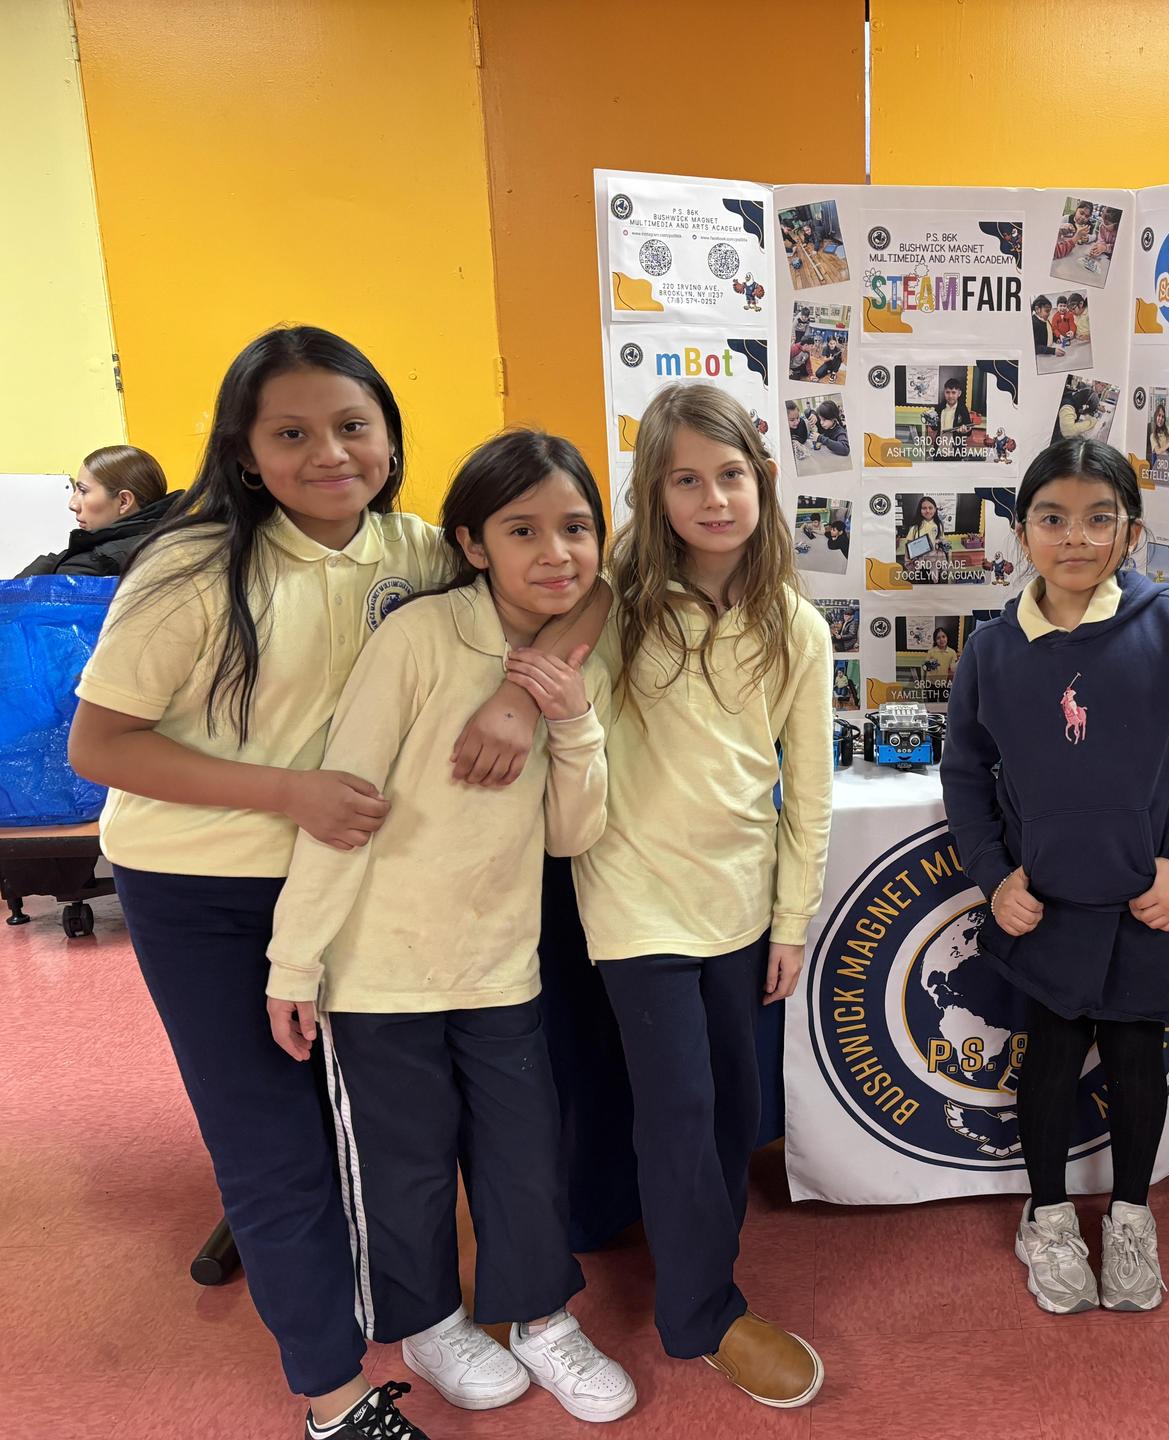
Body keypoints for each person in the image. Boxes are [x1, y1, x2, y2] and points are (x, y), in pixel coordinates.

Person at [66, 326, 603, 1440]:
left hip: (360, 880)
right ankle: (330, 1388)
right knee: (275, 1139)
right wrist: (287, 794)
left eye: (353, 426)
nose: (330, 454)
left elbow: (584, 585)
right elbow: (100, 746)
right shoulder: (192, 567)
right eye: (293, 433)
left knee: (385, 1131)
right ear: (245, 450)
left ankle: (425, 1309)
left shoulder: (412, 549)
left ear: (391, 439)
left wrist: (517, 700)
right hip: (209, 884)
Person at [264, 429, 636, 1423]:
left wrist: (571, 724)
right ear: (471, 543)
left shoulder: (568, 661)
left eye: (577, 529)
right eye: (525, 531)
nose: (557, 553)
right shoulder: (421, 638)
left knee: (524, 1148)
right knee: (409, 1160)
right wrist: (294, 961)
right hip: (380, 970)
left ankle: (541, 1317)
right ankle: (427, 1322)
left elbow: (571, 834)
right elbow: (341, 807)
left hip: (499, 966)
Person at [942, 437, 1169, 1316]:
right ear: (1020, 531)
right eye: (1051, 518)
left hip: (1147, 907)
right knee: (1045, 1062)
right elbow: (965, 772)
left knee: (1133, 1059)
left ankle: (1130, 1215)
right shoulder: (995, 648)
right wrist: (995, 875)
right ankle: (1045, 1216)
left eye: (1097, 518)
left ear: (1131, 531)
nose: (1074, 537)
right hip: (1042, 910)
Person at [575, 383, 831, 1408]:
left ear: (761, 483)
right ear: (655, 491)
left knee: (731, 1110)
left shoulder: (794, 624)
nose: (713, 498)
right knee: (679, 1107)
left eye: (730, 475)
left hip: (740, 902)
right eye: (686, 479)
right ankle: (699, 1311)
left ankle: (691, 1257)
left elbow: (805, 792)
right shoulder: (613, 607)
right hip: (634, 898)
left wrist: (792, 921)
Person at [17, 444, 178, 577]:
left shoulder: (91, 568)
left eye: (83, 491)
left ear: (124, 501)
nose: (72, 504)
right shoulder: (179, 541)